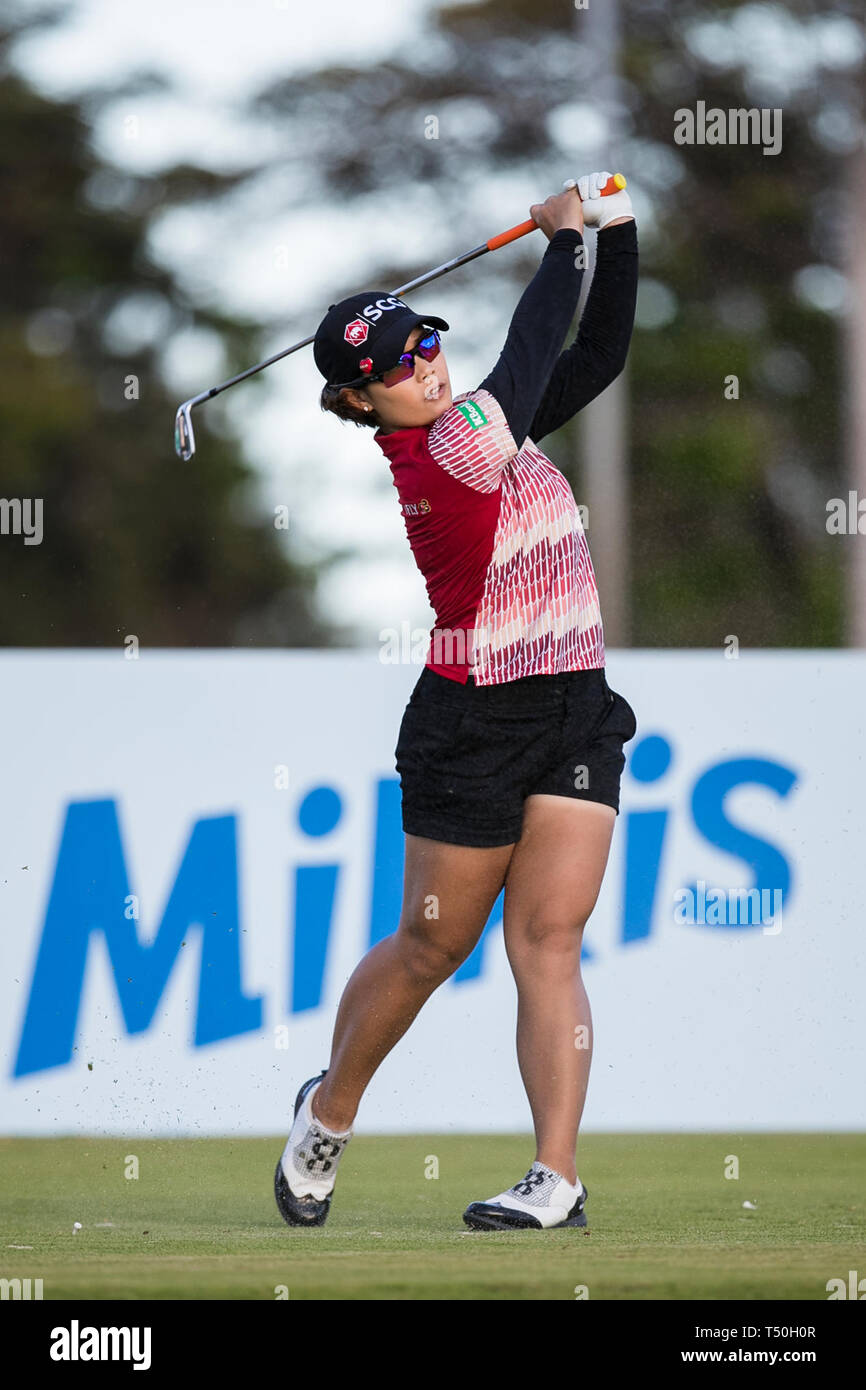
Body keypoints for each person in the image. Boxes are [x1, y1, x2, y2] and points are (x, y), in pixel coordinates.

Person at [275, 172, 639, 1232]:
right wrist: (562, 240)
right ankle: (328, 1112)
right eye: (395, 365)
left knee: (549, 941)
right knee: (433, 945)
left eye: (424, 341)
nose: (423, 365)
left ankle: (555, 1177)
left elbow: (594, 356)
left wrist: (616, 229)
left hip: (574, 706)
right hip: (472, 722)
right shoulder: (444, 452)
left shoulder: (490, 429)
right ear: (359, 401)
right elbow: (529, 352)